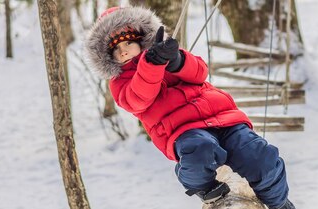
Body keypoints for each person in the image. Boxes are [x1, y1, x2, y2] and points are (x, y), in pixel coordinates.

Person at [84, 6, 295, 209]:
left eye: (126, 43)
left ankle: (279, 202)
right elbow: (138, 98)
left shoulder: (164, 53)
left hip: (222, 116)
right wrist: (151, 65)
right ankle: (204, 187)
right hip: (183, 130)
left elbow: (200, 72)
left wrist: (177, 60)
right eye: (115, 50)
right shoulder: (120, 81)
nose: (122, 52)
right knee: (199, 151)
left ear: (140, 39)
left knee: (260, 155)